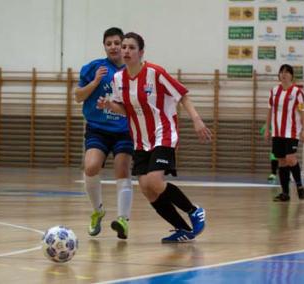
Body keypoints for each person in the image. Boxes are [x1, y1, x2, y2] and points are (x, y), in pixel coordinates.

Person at [97, 32, 212, 243]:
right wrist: (108, 105)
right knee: (147, 189)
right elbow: (125, 110)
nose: (126, 51)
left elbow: (182, 95)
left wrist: (197, 120)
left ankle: (195, 210)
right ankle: (183, 229)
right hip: (140, 140)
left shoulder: (155, 73)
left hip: (163, 133)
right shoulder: (117, 79)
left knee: (155, 181)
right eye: (124, 47)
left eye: (131, 47)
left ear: (141, 52)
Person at [74, 27, 134, 239]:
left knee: (122, 169)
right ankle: (98, 210)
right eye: (109, 44)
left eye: (117, 43)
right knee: (90, 167)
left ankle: (123, 220)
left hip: (124, 130)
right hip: (98, 129)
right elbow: (78, 97)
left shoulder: (133, 71)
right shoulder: (93, 68)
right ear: (104, 46)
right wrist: (95, 82)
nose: (113, 47)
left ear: (123, 45)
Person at [264, 64, 304, 202]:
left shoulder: (297, 92)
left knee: (290, 159)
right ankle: (285, 193)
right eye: (281, 72)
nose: (284, 74)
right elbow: (270, 110)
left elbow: (303, 112)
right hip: (277, 132)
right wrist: (267, 128)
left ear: (292, 76)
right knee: (281, 161)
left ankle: (300, 186)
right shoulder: (274, 91)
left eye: (287, 72)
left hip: (292, 131)